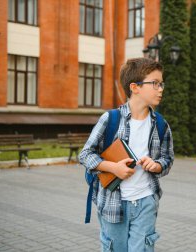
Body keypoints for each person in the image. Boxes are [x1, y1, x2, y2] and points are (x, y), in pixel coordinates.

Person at [79, 58, 174, 252]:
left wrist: (156, 166)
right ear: (135, 87)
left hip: (147, 201)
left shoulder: (161, 124)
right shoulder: (110, 119)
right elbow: (85, 154)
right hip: (113, 204)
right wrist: (113, 168)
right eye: (155, 83)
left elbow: (167, 158)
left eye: (161, 83)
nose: (160, 88)